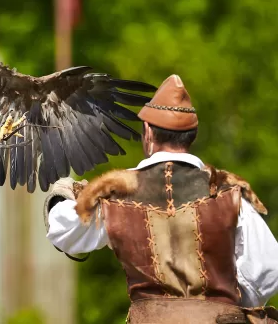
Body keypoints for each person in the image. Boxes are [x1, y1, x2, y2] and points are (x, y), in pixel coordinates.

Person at [44, 75, 278, 323]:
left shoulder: (118, 195)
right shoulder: (228, 192)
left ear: (147, 132)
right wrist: (226, 304)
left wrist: (61, 195)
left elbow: (64, 231)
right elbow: (269, 266)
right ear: (191, 137)